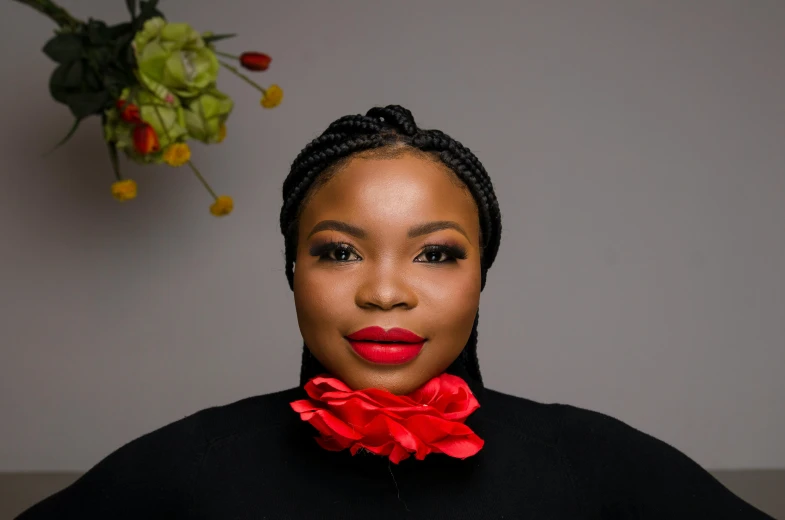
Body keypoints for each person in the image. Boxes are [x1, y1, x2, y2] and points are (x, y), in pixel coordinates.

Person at [17, 105, 773, 519]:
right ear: (292, 270)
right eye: (339, 251)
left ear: (482, 274)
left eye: (436, 253)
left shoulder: (594, 460)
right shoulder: (186, 468)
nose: (384, 291)